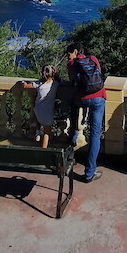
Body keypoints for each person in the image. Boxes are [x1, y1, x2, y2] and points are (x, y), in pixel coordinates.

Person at [67, 44, 106, 183]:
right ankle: (89, 173)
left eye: (69, 53)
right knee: (95, 135)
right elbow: (99, 75)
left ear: (75, 52)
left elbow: (73, 82)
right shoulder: (94, 59)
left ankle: (73, 135)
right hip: (99, 97)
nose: (68, 56)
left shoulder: (72, 63)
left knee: (73, 105)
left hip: (82, 99)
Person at [23, 64, 60, 149]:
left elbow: (26, 86)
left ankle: (37, 132)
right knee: (47, 132)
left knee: (38, 119)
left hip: (38, 108)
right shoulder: (55, 84)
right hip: (48, 111)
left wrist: (23, 83)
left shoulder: (39, 83)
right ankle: (44, 148)